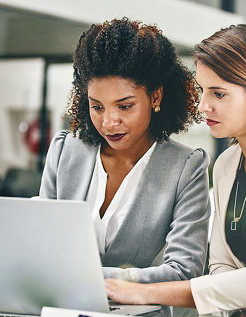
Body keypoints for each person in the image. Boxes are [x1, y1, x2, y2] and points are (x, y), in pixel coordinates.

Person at [105, 24, 246, 317]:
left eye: (218, 94)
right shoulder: (225, 164)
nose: (203, 106)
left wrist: (142, 291)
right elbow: (222, 267)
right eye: (202, 90)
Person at [39, 18, 211, 283]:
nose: (109, 122)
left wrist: (89, 277)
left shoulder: (185, 167)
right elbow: (42, 248)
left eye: (124, 106)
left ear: (156, 97)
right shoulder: (64, 152)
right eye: (97, 107)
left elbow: (184, 270)